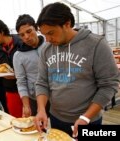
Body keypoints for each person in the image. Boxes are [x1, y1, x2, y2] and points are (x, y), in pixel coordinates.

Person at [34, 2, 120, 138]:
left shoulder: (96, 44)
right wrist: (41, 110)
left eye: (51, 33)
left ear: (67, 24)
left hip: (89, 120)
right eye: (44, 35)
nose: (48, 39)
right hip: (56, 117)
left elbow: (109, 85)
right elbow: (42, 82)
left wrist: (86, 117)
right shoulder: (46, 49)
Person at [0, 19, 23, 118]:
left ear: (2, 32)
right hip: (10, 90)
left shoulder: (21, 43)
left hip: (28, 89)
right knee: (16, 119)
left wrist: (17, 74)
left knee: (34, 120)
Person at [13, 14, 47, 117]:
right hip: (34, 99)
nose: (26, 37)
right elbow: (21, 81)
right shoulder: (18, 56)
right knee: (40, 130)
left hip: (56, 96)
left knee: (59, 131)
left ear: (36, 28)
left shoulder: (49, 45)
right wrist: (26, 106)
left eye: (29, 31)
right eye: (22, 35)